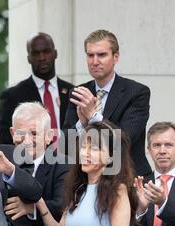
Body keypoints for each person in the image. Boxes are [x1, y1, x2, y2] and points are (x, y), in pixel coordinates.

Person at [35, 120, 138, 226]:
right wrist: (40, 204)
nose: (86, 153)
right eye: (84, 146)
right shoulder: (78, 190)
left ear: (111, 155)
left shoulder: (117, 190)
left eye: (95, 148)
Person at [63, 29, 151, 176]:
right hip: (87, 178)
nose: (95, 61)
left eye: (101, 55)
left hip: (128, 178)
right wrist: (82, 124)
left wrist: (93, 116)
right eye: (90, 55)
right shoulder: (79, 92)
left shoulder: (137, 92)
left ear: (115, 57)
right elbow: (65, 145)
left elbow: (124, 140)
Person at [5, 102, 71, 226]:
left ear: (49, 136)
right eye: (21, 133)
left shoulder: (64, 164)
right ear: (12, 133)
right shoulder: (4, 164)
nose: (27, 140)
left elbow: (60, 205)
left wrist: (29, 208)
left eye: (34, 133)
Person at [0, 32, 74, 145]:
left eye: (46, 51)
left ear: (55, 54)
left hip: (70, 160)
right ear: (29, 58)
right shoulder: (12, 96)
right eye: (36, 53)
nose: (42, 58)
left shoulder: (72, 92)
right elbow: (5, 142)